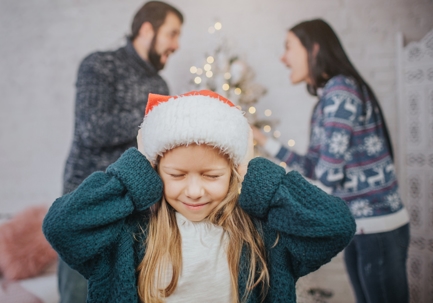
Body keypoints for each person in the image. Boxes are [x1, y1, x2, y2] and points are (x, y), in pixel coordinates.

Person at [43, 90, 356, 303]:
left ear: (233, 172)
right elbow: (62, 226)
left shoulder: (263, 236)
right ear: (153, 172)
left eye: (211, 176)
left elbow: (335, 226)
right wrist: (135, 170)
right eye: (177, 176)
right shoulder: (130, 236)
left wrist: (254, 173)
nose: (194, 191)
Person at [253, 19, 410, 303]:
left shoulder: (340, 93)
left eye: (288, 47)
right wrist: (264, 141)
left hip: (377, 225)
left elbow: (327, 176)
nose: (283, 57)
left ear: (313, 49)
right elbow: (315, 165)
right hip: (361, 225)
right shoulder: (329, 98)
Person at [58, 2, 183, 303]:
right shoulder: (99, 64)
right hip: (88, 203)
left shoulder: (159, 83)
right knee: (79, 295)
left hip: (135, 209)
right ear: (146, 29)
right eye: (172, 34)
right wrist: (152, 115)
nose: (177, 45)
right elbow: (92, 129)